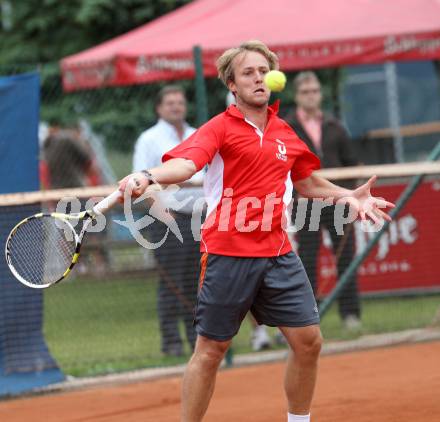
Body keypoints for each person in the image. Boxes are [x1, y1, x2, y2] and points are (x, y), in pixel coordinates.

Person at [119, 40, 394, 422]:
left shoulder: (284, 132)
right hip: (228, 253)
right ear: (232, 84)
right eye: (248, 72)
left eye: (264, 71)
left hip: (279, 253)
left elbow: (307, 182)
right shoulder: (219, 128)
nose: (259, 78)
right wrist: (147, 175)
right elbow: (185, 166)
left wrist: (348, 196)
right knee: (211, 351)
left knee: (308, 342)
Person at [133, 85, 204, 357]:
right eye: (170, 102)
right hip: (168, 220)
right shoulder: (149, 139)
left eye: (180, 102)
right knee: (172, 283)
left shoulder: (196, 134)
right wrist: (163, 214)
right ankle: (172, 343)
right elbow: (141, 179)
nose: (176, 106)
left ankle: (197, 338)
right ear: (159, 108)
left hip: (199, 217)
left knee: (197, 282)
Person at [286, 71, 362, 329]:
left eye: (315, 91)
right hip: (305, 202)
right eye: (306, 92)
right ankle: (310, 317)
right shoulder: (286, 128)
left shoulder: (334, 124)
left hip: (338, 202)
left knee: (346, 256)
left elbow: (352, 163)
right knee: (307, 258)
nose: (311, 96)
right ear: (297, 96)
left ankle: (350, 315)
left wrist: (351, 196)